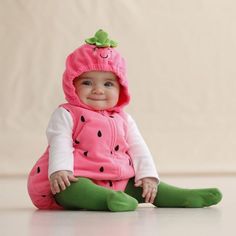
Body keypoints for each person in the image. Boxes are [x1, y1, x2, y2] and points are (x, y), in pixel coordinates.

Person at [27, 29, 222, 211]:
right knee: (75, 189)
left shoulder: (124, 119)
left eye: (108, 83)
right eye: (87, 82)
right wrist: (60, 170)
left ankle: (181, 197)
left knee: (145, 187)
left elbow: (138, 147)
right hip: (74, 178)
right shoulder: (67, 114)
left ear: (121, 88)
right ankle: (106, 200)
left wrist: (148, 176)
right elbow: (59, 141)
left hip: (118, 178)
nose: (98, 90)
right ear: (72, 85)